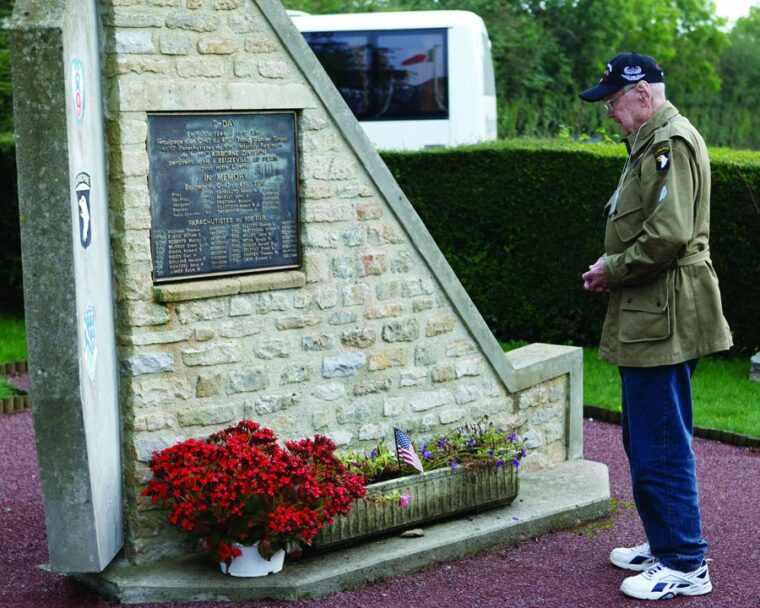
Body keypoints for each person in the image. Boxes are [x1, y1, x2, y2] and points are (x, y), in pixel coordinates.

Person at [579, 52, 732, 601]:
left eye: (614, 104)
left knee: (660, 440)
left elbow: (667, 235)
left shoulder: (670, 143)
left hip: (663, 310)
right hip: (654, 309)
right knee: (647, 435)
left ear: (642, 94)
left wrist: (610, 269)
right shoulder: (650, 141)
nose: (610, 116)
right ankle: (666, 543)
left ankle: (686, 563)